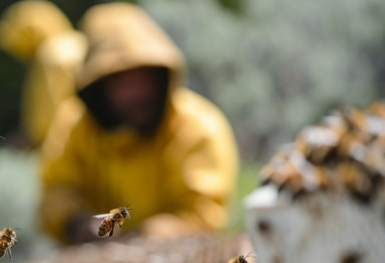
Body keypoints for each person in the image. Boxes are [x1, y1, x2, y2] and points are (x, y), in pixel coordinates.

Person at [39, 3, 238, 244]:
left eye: (144, 78)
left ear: (162, 77)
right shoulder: (74, 127)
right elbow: (58, 192)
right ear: (98, 88)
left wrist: (142, 237)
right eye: (122, 83)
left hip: (177, 261)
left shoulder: (199, 127)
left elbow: (202, 216)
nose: (136, 93)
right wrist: (77, 223)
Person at [0, 0, 87, 148]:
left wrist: (27, 139)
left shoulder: (49, 55)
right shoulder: (80, 42)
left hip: (68, 149)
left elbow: (45, 123)